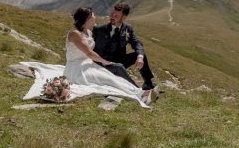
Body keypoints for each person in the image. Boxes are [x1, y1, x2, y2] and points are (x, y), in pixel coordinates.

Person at [20, 6, 150, 107]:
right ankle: (139, 93)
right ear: (87, 19)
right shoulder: (75, 34)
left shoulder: (88, 31)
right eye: (93, 15)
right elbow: (88, 52)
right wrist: (104, 61)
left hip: (89, 64)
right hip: (77, 68)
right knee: (108, 80)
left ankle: (139, 92)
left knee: (110, 77)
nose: (95, 17)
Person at [93, 2, 156, 94]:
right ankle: (136, 90)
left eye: (116, 15)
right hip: (103, 64)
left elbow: (137, 43)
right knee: (119, 68)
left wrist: (140, 57)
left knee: (140, 55)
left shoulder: (127, 28)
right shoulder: (99, 29)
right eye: (112, 14)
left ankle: (148, 83)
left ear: (124, 18)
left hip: (120, 61)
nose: (112, 17)